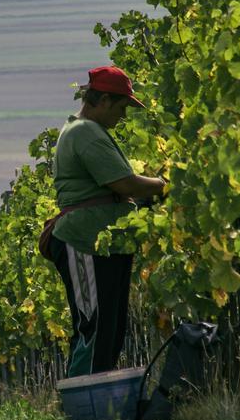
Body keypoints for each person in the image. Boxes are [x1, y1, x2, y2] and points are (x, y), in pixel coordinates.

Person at [43, 65, 166, 377]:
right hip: (85, 241)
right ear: (104, 100)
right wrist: (166, 185)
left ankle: (98, 404)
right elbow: (124, 184)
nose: (123, 117)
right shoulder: (84, 132)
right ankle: (83, 410)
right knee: (94, 326)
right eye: (122, 107)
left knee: (110, 328)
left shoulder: (87, 131)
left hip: (104, 243)